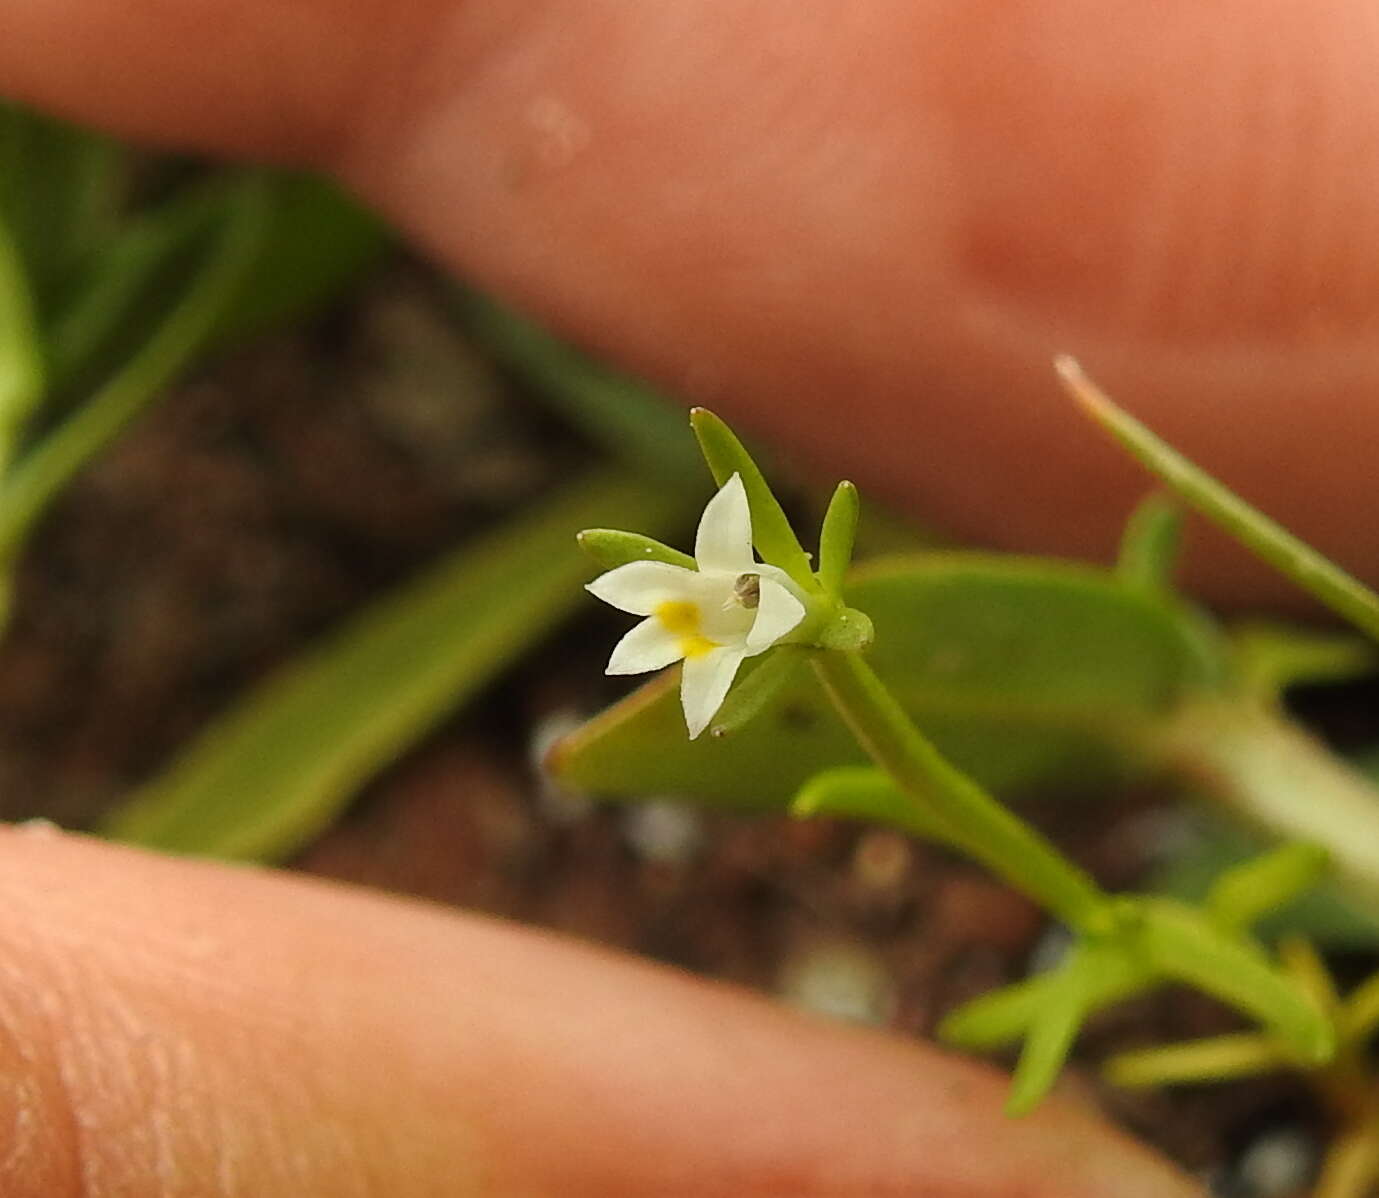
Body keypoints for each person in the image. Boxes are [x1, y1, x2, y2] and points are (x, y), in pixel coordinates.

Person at [0, 2, 1373, 1193]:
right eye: (720, 610)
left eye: (737, 605)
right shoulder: (743, 619)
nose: (715, 619)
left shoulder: (769, 602)